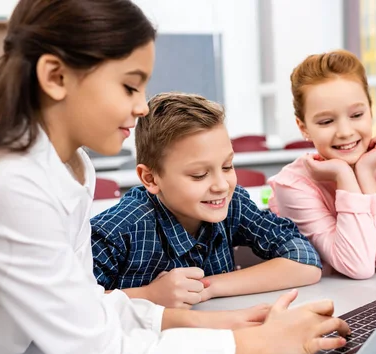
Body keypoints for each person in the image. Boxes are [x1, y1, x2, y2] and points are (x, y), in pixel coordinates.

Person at [0, 0, 349, 354]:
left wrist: (222, 322)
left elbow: (88, 304)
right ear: (56, 76)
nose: (141, 105)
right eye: (129, 85)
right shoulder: (10, 182)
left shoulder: (74, 165)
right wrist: (260, 344)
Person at [91, 92, 322, 308]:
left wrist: (208, 287)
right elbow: (71, 307)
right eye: (199, 175)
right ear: (150, 178)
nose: (221, 185)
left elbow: (305, 262)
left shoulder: (234, 205)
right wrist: (150, 295)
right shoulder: (119, 230)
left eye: (227, 166)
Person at [268, 50, 376, 280]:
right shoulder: (294, 185)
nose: (345, 132)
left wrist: (365, 173)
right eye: (326, 121)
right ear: (303, 127)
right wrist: (344, 176)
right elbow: (358, 266)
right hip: (324, 304)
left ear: (371, 111)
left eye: (356, 115)